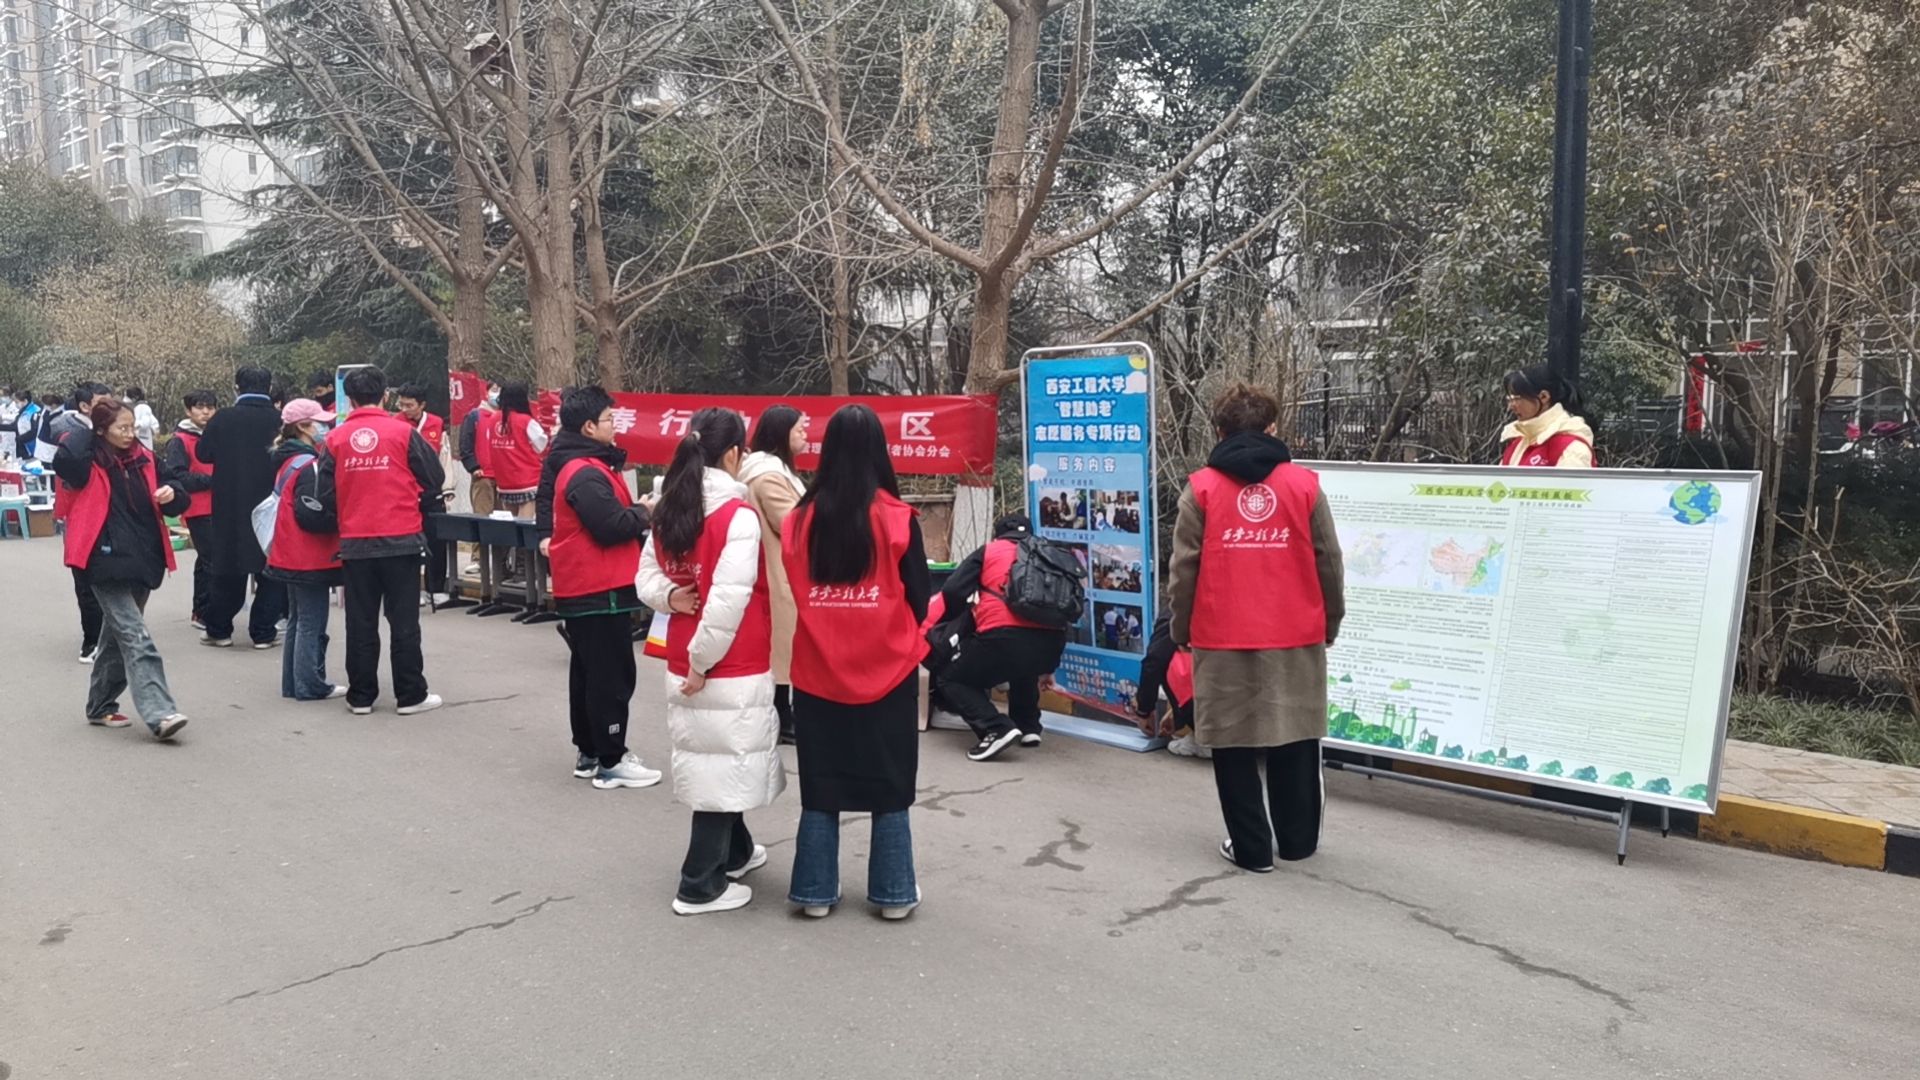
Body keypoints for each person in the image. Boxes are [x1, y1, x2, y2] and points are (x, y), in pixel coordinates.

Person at [1167, 383, 1346, 872]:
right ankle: (1297, 843)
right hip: (1296, 632)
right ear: (1272, 428)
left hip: (1221, 635)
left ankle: (1252, 851)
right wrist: (1330, 621)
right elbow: (1329, 561)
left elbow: (1184, 570)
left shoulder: (1202, 488)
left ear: (1218, 431)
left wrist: (1180, 629)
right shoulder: (1304, 486)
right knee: (1297, 736)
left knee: (1231, 743)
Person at [782, 405, 931, 920]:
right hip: (888, 669)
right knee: (890, 781)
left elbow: (797, 586)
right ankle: (893, 893)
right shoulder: (898, 518)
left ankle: (814, 892)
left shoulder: (798, 521)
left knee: (821, 782)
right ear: (878, 452)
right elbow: (919, 597)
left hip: (817, 669)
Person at [636, 407, 783, 917]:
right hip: (727, 660)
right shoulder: (736, 515)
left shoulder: (669, 506)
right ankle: (699, 884)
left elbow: (646, 576)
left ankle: (736, 853)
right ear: (734, 454)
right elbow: (728, 601)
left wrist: (669, 599)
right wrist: (703, 661)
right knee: (723, 763)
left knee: (717, 758)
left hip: (685, 652)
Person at [536, 385, 661, 790]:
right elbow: (610, 526)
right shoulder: (585, 472)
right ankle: (611, 757)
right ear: (589, 427)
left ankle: (590, 752)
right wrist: (644, 511)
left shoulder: (583, 465)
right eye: (609, 419)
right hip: (598, 585)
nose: (615, 426)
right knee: (610, 675)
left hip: (589, 583)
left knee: (589, 672)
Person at [53, 397, 191, 741]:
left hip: (143, 557)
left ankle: (100, 705)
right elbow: (64, 461)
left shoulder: (146, 458)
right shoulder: (85, 460)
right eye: (122, 428)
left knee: (117, 636)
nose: (130, 434)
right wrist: (89, 427)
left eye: (133, 427)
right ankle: (161, 713)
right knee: (135, 635)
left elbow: (180, 491)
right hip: (102, 560)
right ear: (101, 430)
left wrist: (172, 494)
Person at [317, 366, 446, 716]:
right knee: (404, 621)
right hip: (401, 539)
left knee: (360, 621)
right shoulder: (403, 433)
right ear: (385, 395)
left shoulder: (335, 439)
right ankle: (410, 695)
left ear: (350, 399)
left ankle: (361, 696)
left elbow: (324, 495)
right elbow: (434, 477)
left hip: (355, 542)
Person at [935, 513, 1068, 762]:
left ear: (998, 535)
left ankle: (995, 727)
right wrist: (1048, 667)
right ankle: (1028, 727)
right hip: (1052, 642)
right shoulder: (1048, 553)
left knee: (951, 677)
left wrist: (956, 620)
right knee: (1022, 665)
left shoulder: (990, 551)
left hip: (1001, 637)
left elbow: (953, 590)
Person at [196, 366, 288, 649]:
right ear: (269, 388)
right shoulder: (280, 420)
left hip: (230, 504)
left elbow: (203, 453)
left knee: (228, 567)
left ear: (237, 387)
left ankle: (219, 630)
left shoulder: (223, 418)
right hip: (270, 504)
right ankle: (263, 632)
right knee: (270, 568)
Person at [264, 399, 346, 702]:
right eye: (320, 422)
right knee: (312, 621)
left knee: (298, 620)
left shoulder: (288, 460)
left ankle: (293, 682)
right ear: (303, 427)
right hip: (309, 556)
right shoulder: (309, 464)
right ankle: (311, 684)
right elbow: (312, 514)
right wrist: (339, 519)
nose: (325, 427)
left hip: (288, 553)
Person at [738, 403, 809, 745]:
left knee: (781, 647)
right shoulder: (768, 476)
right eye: (799, 429)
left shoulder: (769, 470)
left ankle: (781, 713)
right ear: (782, 434)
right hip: (776, 571)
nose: (805, 434)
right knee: (781, 648)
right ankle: (782, 716)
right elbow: (793, 524)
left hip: (776, 569)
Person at [51, 383, 112, 662]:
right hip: (80, 514)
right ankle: (91, 641)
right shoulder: (74, 436)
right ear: (85, 407)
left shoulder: (108, 434)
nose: (109, 408)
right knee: (86, 577)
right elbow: (72, 475)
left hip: (108, 513)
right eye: (102, 403)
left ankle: (109, 636)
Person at [160, 390, 219, 628]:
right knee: (211, 560)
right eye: (200, 407)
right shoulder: (180, 440)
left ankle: (203, 609)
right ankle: (205, 612)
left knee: (207, 560)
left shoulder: (215, 435)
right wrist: (212, 481)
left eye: (210, 407)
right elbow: (177, 475)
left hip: (220, 506)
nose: (205, 412)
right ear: (188, 410)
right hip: (198, 508)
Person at [395, 384, 454, 604]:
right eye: (402, 404)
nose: (405, 409)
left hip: (432, 492)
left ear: (422, 405)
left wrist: (447, 488)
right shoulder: (396, 424)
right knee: (409, 544)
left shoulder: (436, 423)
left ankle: (435, 588)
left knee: (436, 541)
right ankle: (413, 589)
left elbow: (444, 455)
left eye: (409, 405)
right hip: (406, 492)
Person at [1134, 611, 1205, 758]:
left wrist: (1143, 711)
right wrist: (1176, 714)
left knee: (1169, 659)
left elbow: (1153, 663)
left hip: (1213, 712)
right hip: (1243, 710)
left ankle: (1205, 739)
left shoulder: (1176, 615)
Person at [475, 381, 547, 522]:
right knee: (525, 525)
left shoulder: (493, 419)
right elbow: (542, 444)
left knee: (511, 525)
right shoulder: (526, 421)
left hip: (504, 482)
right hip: (527, 481)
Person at [1500, 365, 1595, 468]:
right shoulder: (1519, 442)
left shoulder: (1571, 447)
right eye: (1509, 399)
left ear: (1544, 397)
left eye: (1516, 398)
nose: (1511, 406)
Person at [457, 380, 502, 519]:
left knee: (504, 521)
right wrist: (473, 467)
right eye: (495, 390)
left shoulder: (508, 417)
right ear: (486, 392)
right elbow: (465, 443)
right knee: (483, 518)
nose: (498, 394)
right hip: (483, 476)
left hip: (504, 479)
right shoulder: (474, 416)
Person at [13, 388, 40, 460]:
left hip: (33, 446)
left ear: (25, 401)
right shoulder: (23, 411)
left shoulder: (35, 411)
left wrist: (20, 438)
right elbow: (15, 426)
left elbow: (35, 431)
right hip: (24, 445)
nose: (16, 404)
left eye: (17, 402)